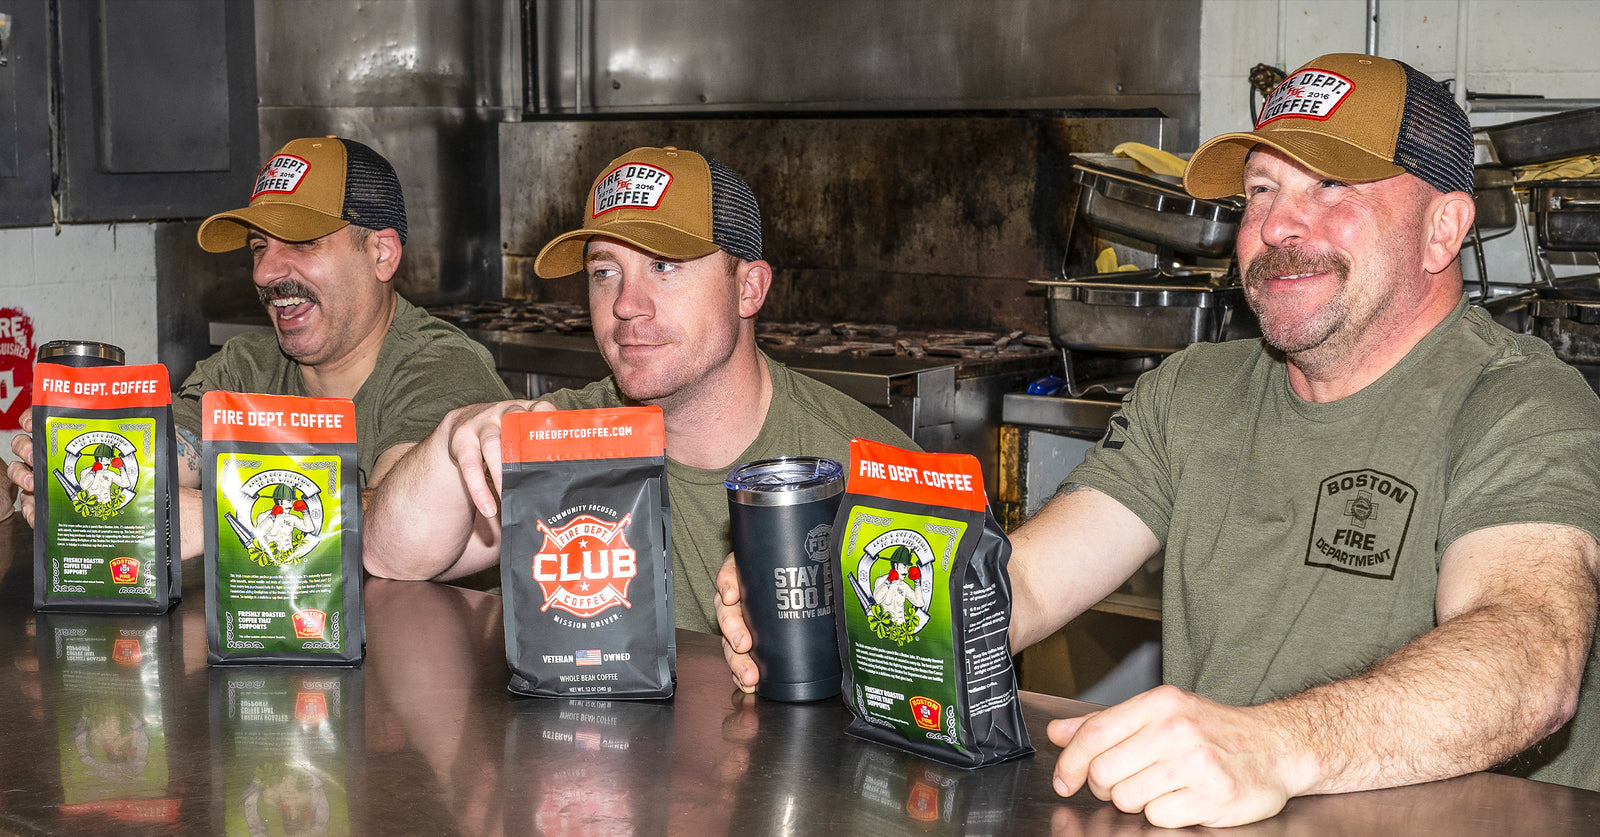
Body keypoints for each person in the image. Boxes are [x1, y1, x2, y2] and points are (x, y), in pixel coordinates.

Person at [713, 53, 1600, 827]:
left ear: (1444, 227)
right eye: (1263, 190)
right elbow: (1016, 586)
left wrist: (1275, 744)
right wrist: (835, 599)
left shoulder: (1520, 402)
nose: (1280, 227)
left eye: (1331, 187)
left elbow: (1530, 655)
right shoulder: (1194, 392)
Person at [363, 146, 916, 633]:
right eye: (605, 272)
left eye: (663, 266)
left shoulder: (868, 469)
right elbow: (389, 557)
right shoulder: (564, 437)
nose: (627, 303)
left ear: (748, 289)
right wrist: (452, 436)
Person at [5, 136, 511, 555]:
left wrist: (203, 519)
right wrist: (58, 469)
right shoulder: (246, 366)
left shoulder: (442, 368)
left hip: (428, 664)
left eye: (302, 243)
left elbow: (390, 533)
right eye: (259, 248)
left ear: (381, 253)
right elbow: (156, 465)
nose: (267, 272)